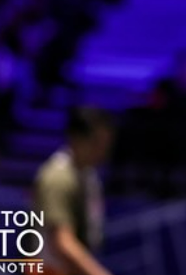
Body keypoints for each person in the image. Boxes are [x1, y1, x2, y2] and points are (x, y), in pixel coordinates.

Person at [32, 105, 115, 275]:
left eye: (106, 145)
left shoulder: (88, 176)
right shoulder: (58, 177)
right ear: (76, 139)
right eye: (96, 143)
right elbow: (62, 241)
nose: (103, 152)